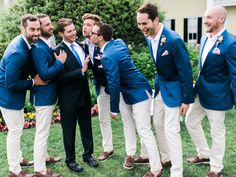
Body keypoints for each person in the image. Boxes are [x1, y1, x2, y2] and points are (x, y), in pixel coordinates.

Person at [90, 22, 162, 177]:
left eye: (92, 33)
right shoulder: (118, 42)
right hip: (125, 92)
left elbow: (113, 83)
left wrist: (113, 109)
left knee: (144, 129)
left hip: (139, 92)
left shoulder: (107, 56)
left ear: (100, 37)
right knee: (128, 123)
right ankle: (133, 154)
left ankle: (156, 168)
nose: (90, 35)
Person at [136, 3, 194, 177]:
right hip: (160, 87)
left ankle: (177, 172)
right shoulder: (149, 37)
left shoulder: (174, 40)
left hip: (175, 90)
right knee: (157, 124)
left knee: (171, 130)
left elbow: (186, 70)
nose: (142, 28)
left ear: (156, 20)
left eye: (144, 23)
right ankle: (166, 158)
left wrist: (186, 100)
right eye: (139, 24)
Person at [185, 6, 236, 177]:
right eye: (205, 17)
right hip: (200, 91)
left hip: (218, 95)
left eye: (209, 17)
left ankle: (216, 168)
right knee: (190, 121)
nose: (205, 21)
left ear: (221, 19)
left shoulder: (231, 42)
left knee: (217, 132)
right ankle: (204, 154)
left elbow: (235, 75)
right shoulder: (205, 38)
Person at [0, 14, 46, 177]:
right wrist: (33, 82)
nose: (36, 32)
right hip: (8, 97)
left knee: (17, 129)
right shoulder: (17, 52)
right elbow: (10, 83)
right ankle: (14, 170)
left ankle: (19, 159)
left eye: (38, 29)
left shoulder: (24, 43)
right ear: (23, 29)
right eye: (32, 29)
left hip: (12, 96)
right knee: (15, 131)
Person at [55, 18, 98, 173]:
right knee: (69, 130)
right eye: (69, 31)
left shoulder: (81, 45)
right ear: (61, 33)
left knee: (87, 127)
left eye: (74, 29)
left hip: (84, 95)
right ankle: (70, 160)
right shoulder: (57, 51)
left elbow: (89, 64)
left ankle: (88, 155)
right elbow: (60, 77)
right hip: (68, 99)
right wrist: (81, 71)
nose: (73, 33)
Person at [30, 14, 67, 177]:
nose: (50, 26)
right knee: (42, 132)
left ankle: (43, 157)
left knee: (44, 131)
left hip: (47, 95)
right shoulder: (38, 48)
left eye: (49, 23)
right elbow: (44, 74)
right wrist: (60, 62)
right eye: (46, 25)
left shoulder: (45, 44)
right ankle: (40, 170)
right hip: (43, 96)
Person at [82, 13, 114, 161]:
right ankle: (108, 148)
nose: (85, 27)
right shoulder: (84, 46)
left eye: (89, 25)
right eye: (84, 24)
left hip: (117, 85)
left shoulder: (109, 44)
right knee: (103, 118)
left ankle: (137, 151)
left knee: (130, 118)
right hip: (101, 86)